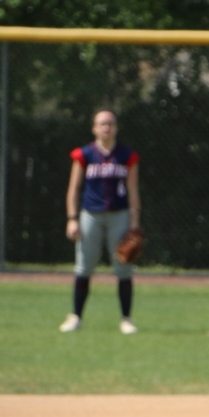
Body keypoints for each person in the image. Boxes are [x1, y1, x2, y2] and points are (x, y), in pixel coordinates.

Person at [60, 109, 142, 334]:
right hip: (90, 215)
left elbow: (133, 190)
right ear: (94, 128)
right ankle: (76, 316)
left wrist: (135, 221)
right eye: (102, 124)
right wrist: (72, 218)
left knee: (123, 268)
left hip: (119, 215)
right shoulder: (84, 154)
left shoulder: (126, 155)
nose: (106, 128)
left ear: (115, 128)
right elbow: (74, 189)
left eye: (110, 124)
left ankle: (126, 319)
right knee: (84, 266)